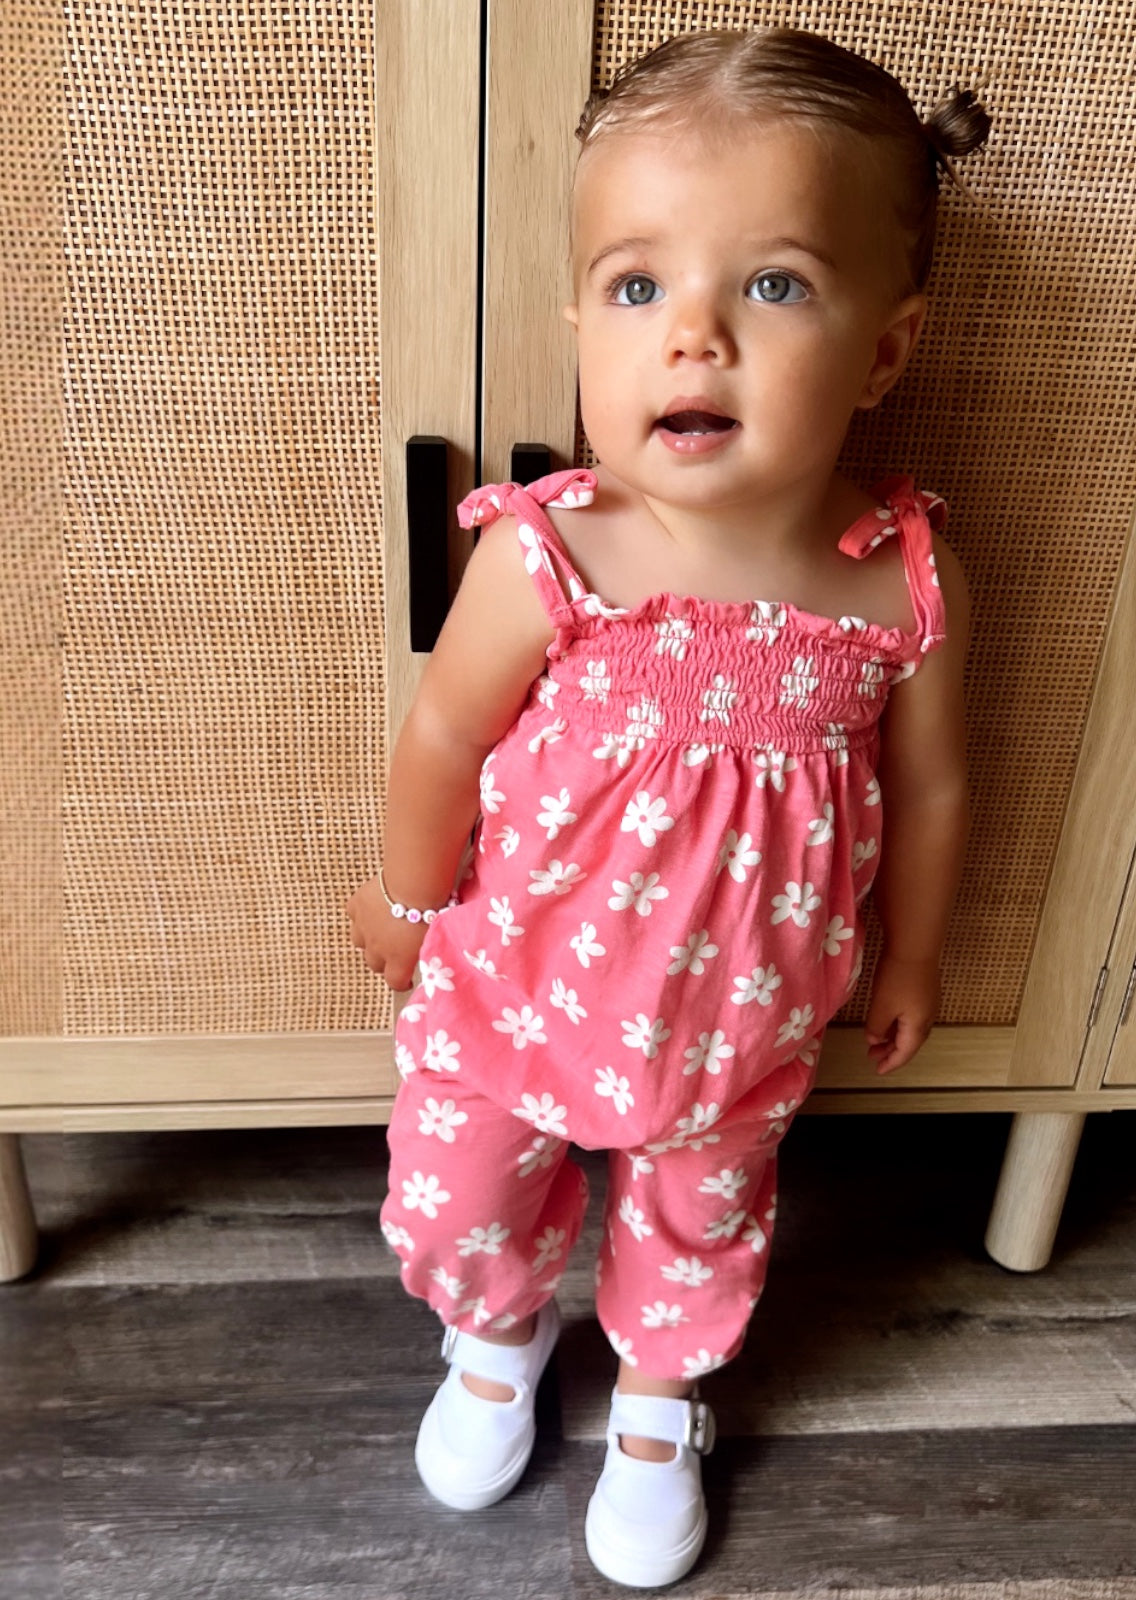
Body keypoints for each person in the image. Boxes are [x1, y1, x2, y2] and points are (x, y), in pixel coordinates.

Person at [348, 25, 986, 1588]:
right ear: (581, 325)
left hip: (740, 1023)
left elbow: (935, 780)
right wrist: (412, 895)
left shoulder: (900, 580)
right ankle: (493, 1343)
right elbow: (442, 733)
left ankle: (656, 1399)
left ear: (886, 351)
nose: (690, 336)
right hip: (512, 986)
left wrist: (911, 958)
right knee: (465, 1185)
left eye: (771, 286)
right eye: (638, 289)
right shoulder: (546, 553)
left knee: (703, 1219)